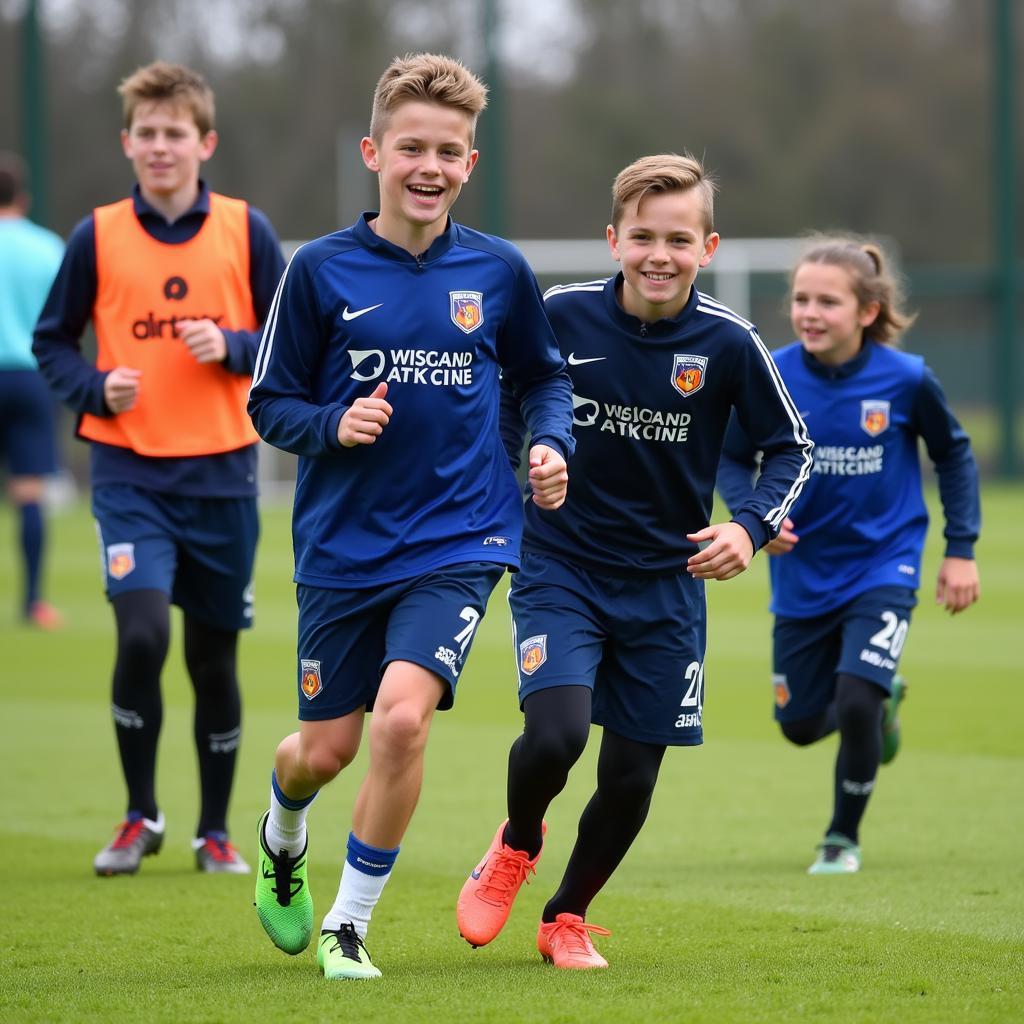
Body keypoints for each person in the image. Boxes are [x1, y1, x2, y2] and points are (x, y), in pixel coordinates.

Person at [248, 52, 574, 982]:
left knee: (400, 724)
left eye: (450, 150)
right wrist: (333, 424)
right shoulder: (318, 272)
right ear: (374, 152)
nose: (429, 165)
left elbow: (545, 378)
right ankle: (282, 834)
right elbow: (269, 404)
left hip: (462, 536)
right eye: (411, 147)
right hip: (342, 546)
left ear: (470, 164)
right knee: (325, 749)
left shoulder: (500, 272)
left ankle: (348, 928)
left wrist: (551, 448)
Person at [456, 153, 813, 969]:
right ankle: (515, 844)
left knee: (630, 779)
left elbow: (791, 449)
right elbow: (501, 404)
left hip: (668, 583)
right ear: (612, 239)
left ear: (708, 246)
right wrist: (529, 464)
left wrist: (748, 530)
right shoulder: (560, 315)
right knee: (556, 736)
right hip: (562, 565)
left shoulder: (729, 342)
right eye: (643, 236)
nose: (660, 254)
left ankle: (566, 916)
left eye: (679, 239)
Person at [33, 61, 286, 876]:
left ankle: (215, 831)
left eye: (176, 133)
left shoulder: (247, 231)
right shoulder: (95, 235)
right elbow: (52, 342)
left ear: (204, 142)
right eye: (147, 133)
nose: (161, 146)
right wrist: (95, 389)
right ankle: (139, 816)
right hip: (129, 473)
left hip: (222, 476)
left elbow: (296, 341)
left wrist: (238, 347)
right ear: (127, 144)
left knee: (213, 658)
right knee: (141, 637)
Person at [715, 235, 981, 874]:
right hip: (802, 572)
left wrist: (961, 550)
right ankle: (882, 708)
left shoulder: (907, 379)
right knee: (801, 725)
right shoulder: (771, 373)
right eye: (801, 299)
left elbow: (954, 455)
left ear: (866, 311)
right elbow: (727, 455)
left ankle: (841, 838)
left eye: (827, 302)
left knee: (857, 697)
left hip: (884, 565)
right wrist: (756, 517)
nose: (809, 312)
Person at [0, 151, 65, 629]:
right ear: (23, 197)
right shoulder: (47, 247)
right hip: (29, 378)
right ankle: (33, 601)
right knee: (29, 493)